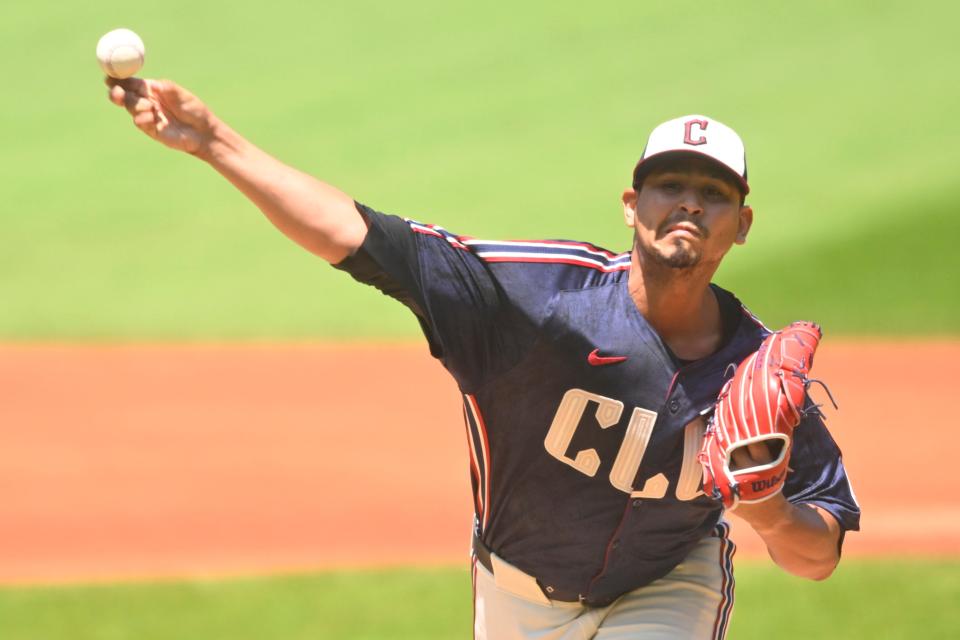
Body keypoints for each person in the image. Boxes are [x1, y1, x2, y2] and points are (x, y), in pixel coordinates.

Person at [106, 77, 860, 639]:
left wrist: (768, 512)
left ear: (744, 223)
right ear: (632, 204)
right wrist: (214, 143)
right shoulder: (535, 300)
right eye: (670, 184)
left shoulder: (762, 373)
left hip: (669, 583)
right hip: (517, 590)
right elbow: (358, 237)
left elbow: (817, 556)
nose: (689, 203)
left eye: (713, 192)